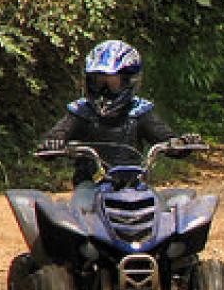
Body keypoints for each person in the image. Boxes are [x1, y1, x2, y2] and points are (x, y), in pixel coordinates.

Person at [37, 39, 197, 208]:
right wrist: (52, 144)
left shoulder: (140, 112)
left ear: (129, 81)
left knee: (160, 210)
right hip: (91, 186)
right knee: (80, 207)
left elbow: (167, 139)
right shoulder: (81, 112)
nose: (104, 89)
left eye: (112, 82)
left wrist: (183, 143)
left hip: (135, 187)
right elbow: (56, 135)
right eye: (99, 82)